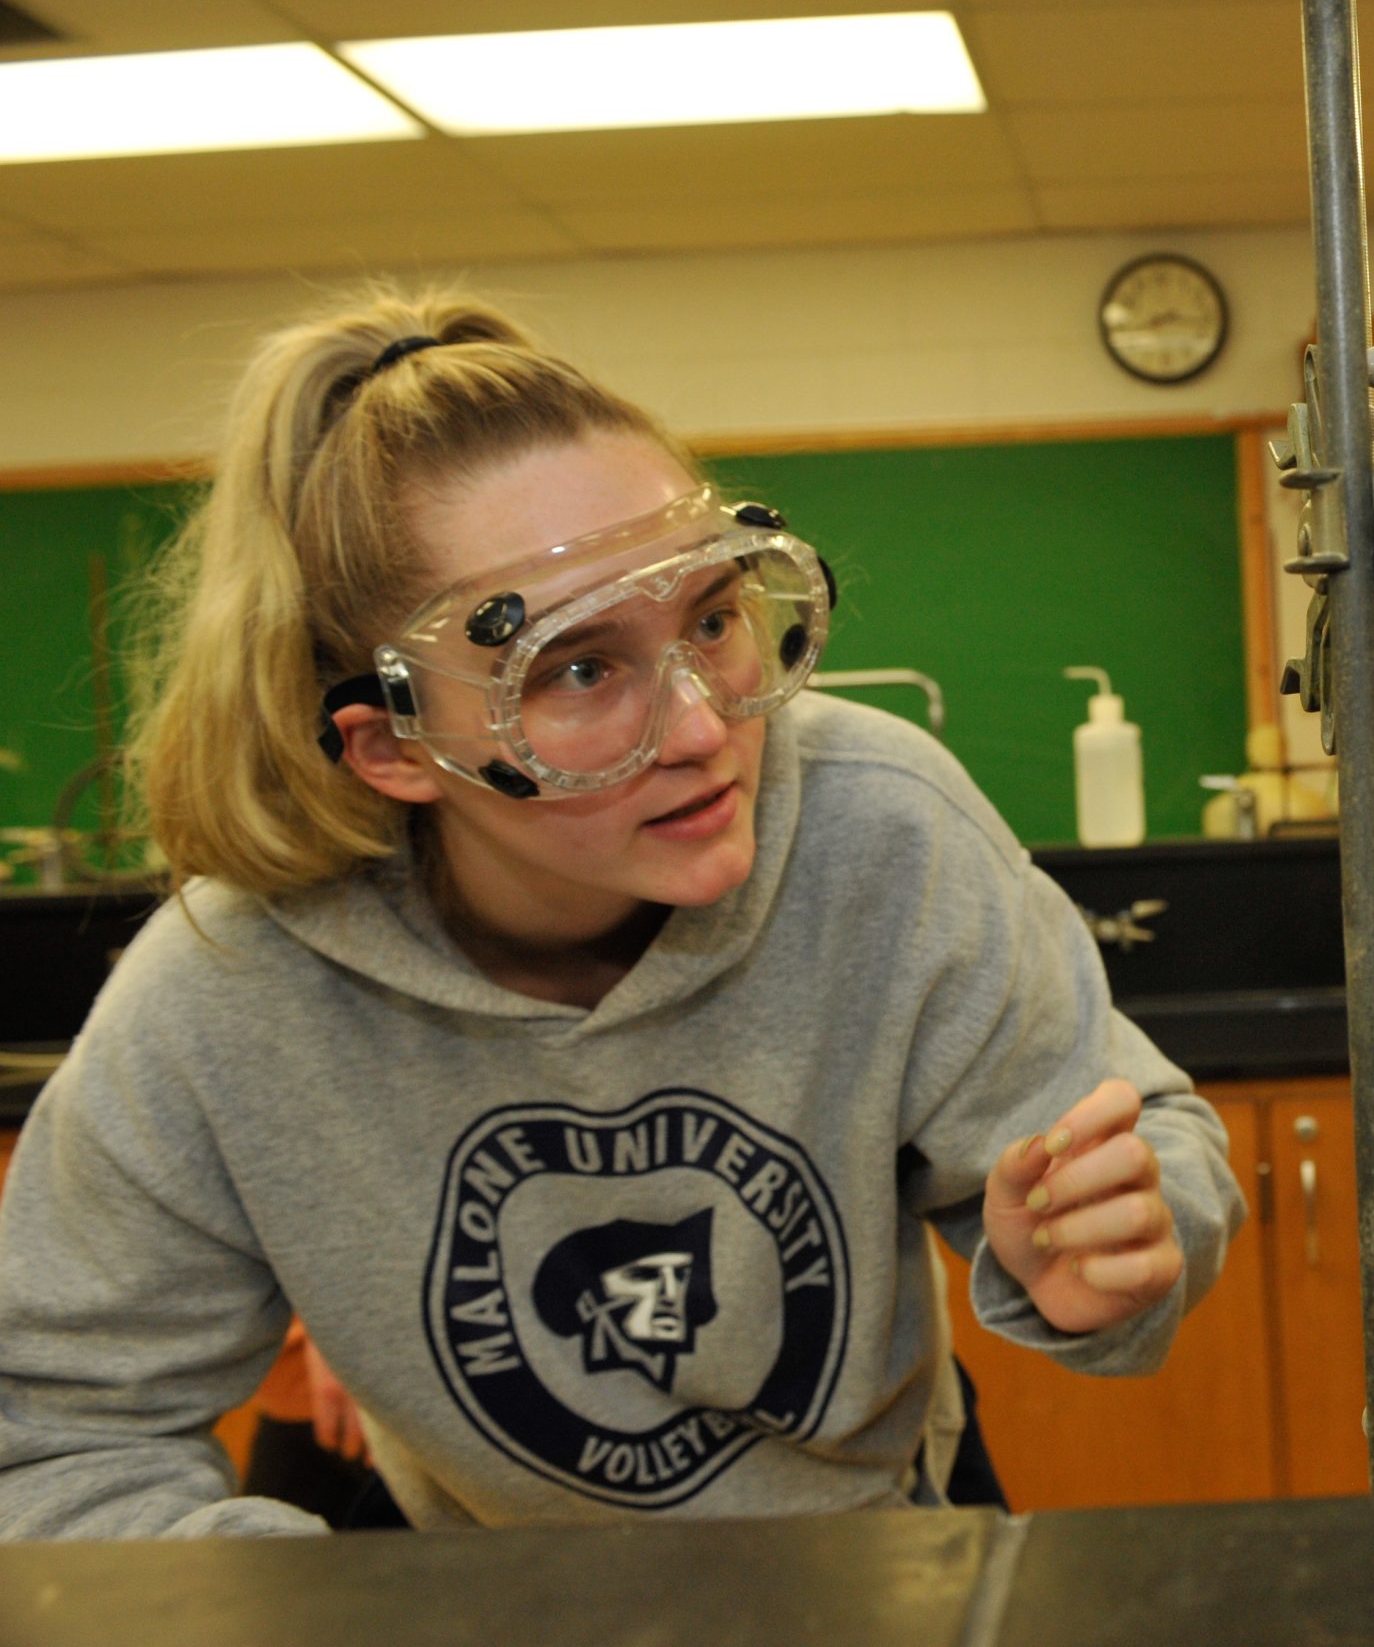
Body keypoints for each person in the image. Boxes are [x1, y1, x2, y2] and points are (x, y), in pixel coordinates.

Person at [0, 290, 1243, 1537]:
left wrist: (1125, 1242)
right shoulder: (229, 988)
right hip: (482, 1578)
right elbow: (54, 1440)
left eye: (712, 618)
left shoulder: (880, 829)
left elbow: (1137, 1136)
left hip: (878, 1537)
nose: (707, 727)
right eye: (578, 669)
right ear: (392, 746)